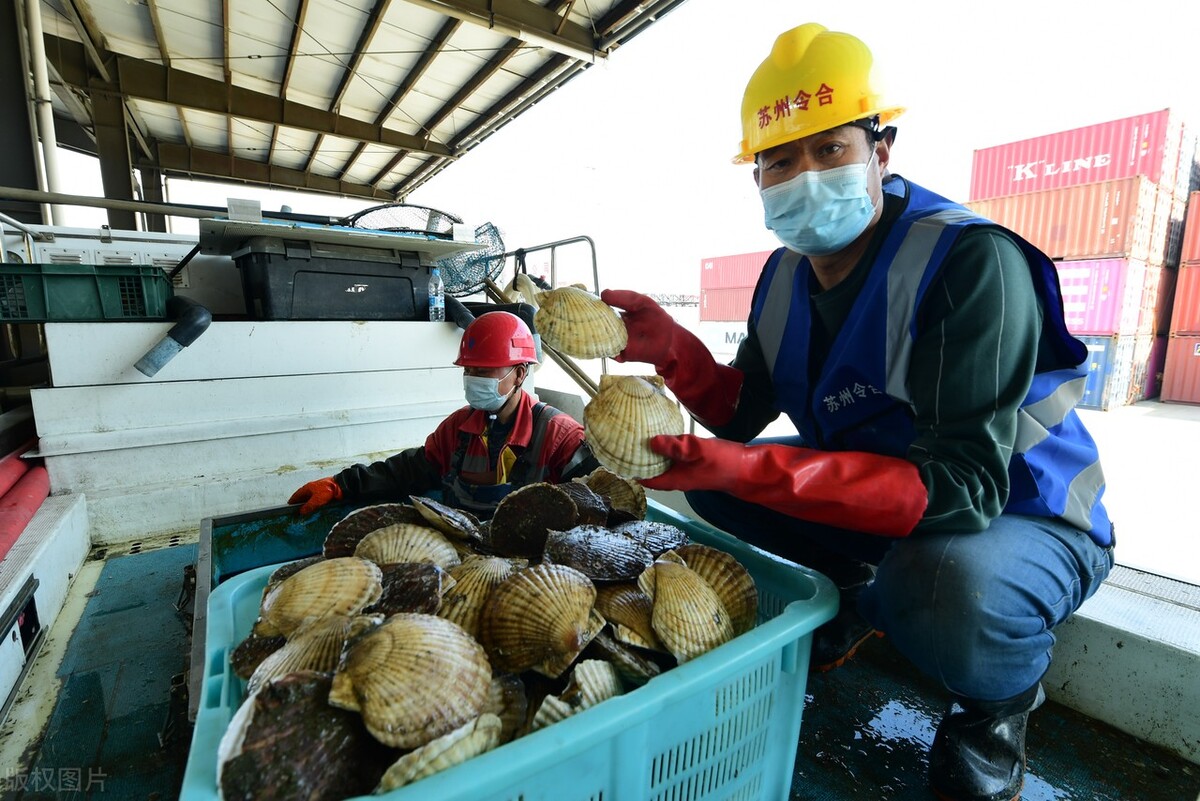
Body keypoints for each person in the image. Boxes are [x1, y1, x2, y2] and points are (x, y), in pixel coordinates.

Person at [601, 22, 1114, 801]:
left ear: (880, 150)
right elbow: (741, 415)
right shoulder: (782, 277)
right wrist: (674, 348)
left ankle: (995, 710)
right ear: (758, 180)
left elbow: (964, 487)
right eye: (779, 159)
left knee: (942, 581)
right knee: (715, 483)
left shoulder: (969, 260)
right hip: (890, 504)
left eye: (829, 148)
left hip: (1021, 515)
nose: (804, 174)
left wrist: (756, 467)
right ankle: (843, 602)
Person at [289, 311, 599, 518]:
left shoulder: (561, 436)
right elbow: (409, 470)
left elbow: (598, 502)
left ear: (519, 374)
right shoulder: (458, 428)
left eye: (484, 371)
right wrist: (342, 484)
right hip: (464, 560)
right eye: (468, 370)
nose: (472, 378)